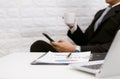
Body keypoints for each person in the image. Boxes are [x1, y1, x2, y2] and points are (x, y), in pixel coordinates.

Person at [30, 0, 120, 53]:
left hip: (99, 57)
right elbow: (85, 41)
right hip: (84, 54)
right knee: (39, 45)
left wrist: (74, 49)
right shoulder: (101, 12)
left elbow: (114, 47)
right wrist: (73, 27)